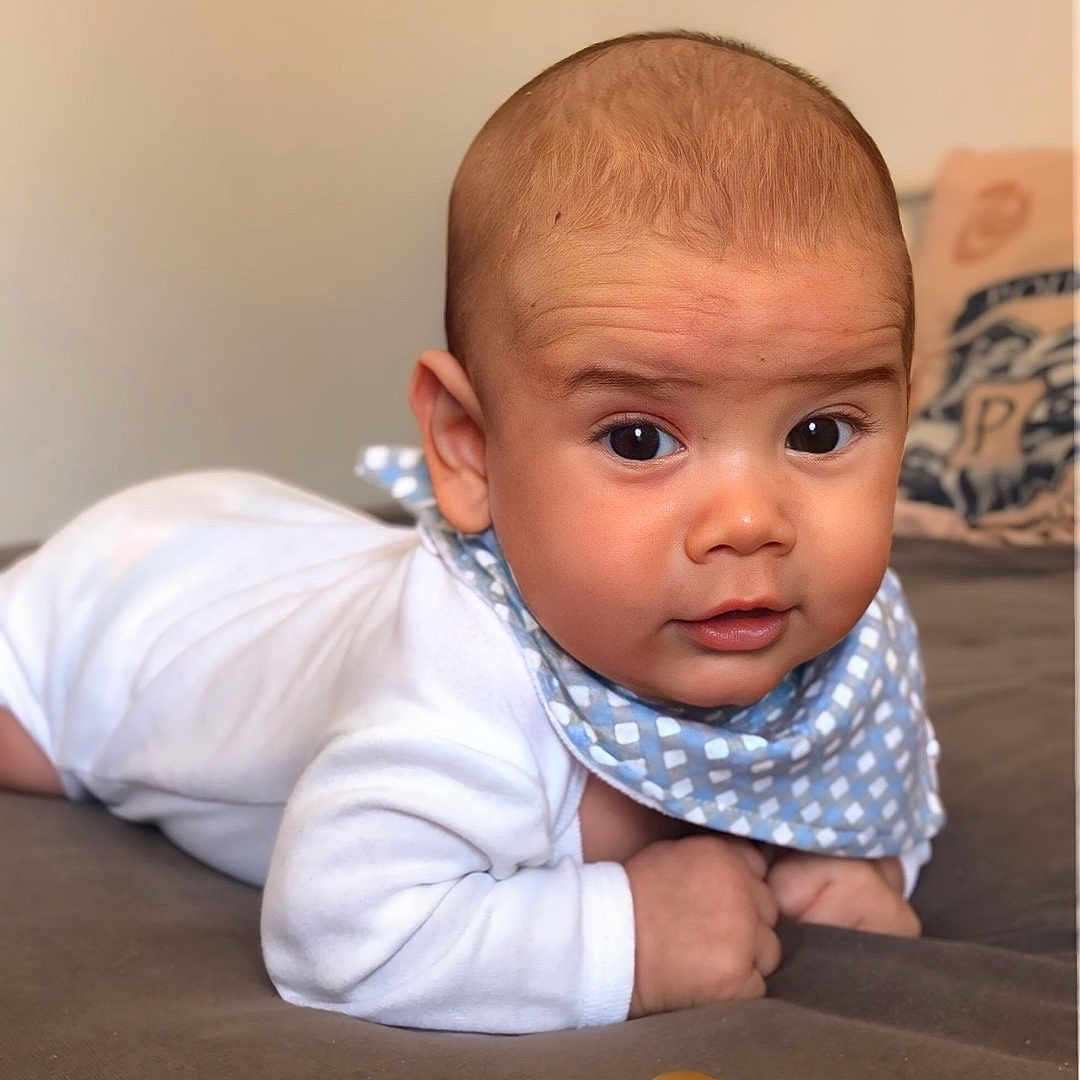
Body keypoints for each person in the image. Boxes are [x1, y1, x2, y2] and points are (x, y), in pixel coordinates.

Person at [0, 31, 943, 1033]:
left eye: (818, 432)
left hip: (294, 550)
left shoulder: (846, 637)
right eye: (638, 439)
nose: (751, 522)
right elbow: (339, 935)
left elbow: (880, 783)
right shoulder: (460, 682)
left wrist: (864, 863)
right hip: (127, 601)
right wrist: (629, 942)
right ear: (468, 447)